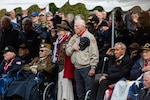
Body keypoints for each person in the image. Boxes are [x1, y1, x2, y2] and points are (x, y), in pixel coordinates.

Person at [66, 18, 99, 100]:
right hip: (76, 67)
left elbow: (94, 53)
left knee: (89, 91)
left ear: (83, 26)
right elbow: (67, 51)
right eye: (74, 26)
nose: (75, 28)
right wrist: (72, 48)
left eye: (77, 26)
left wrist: (93, 67)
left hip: (86, 67)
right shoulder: (74, 37)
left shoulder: (90, 37)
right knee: (79, 92)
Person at [54, 23, 74, 100]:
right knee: (61, 83)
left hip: (66, 64)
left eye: (60, 31)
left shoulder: (69, 39)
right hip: (61, 64)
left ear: (65, 31)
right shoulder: (60, 41)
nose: (58, 33)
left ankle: (66, 98)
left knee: (66, 83)